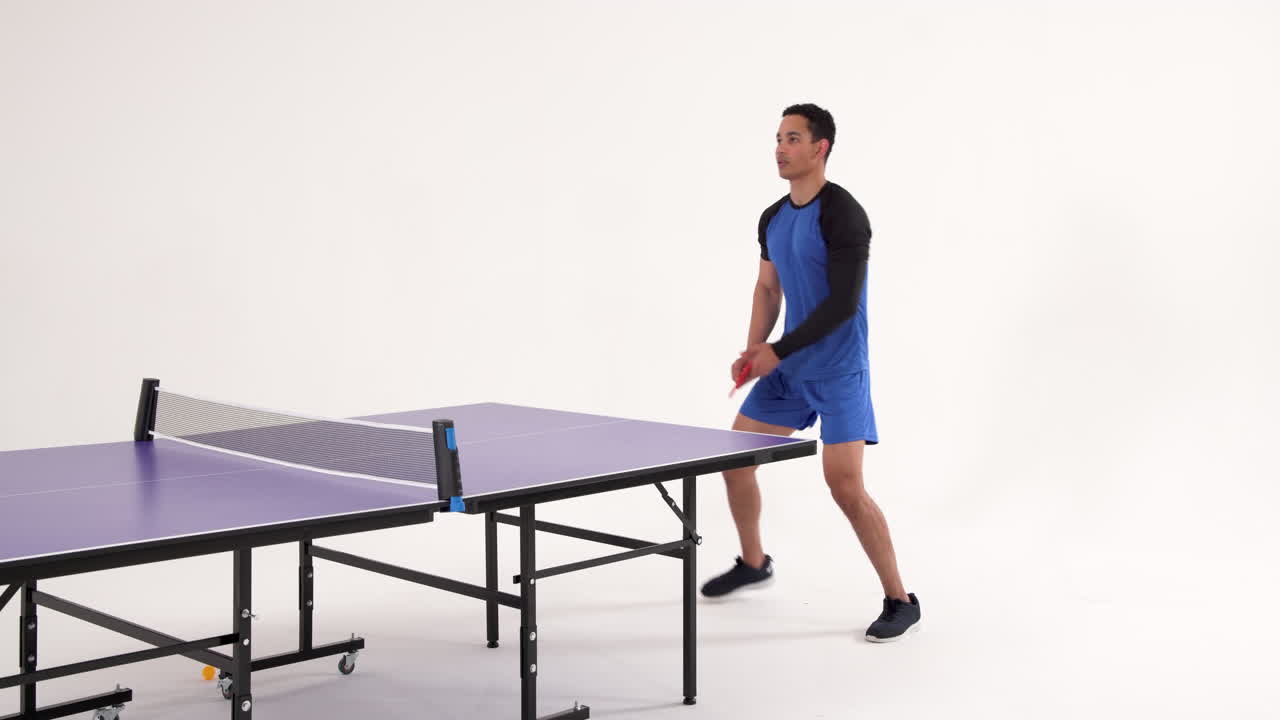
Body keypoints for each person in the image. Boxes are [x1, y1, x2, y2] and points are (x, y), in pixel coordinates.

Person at [701, 103, 921, 642]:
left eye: (793, 138)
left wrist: (777, 348)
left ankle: (901, 598)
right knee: (736, 459)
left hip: (840, 370)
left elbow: (843, 303)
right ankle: (754, 563)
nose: (780, 147)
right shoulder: (772, 217)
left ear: (819, 147)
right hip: (788, 371)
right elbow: (768, 288)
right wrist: (756, 348)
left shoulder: (843, 213)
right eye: (778, 137)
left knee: (844, 486)